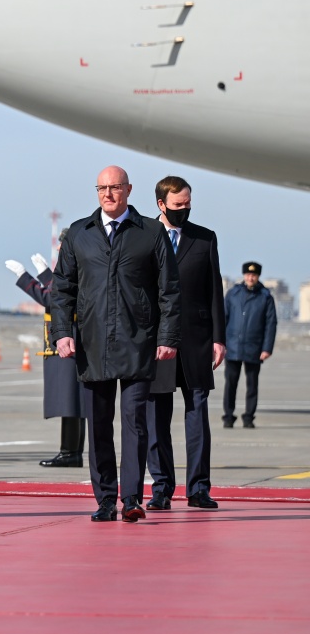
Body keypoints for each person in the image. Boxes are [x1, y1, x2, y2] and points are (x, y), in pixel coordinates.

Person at [51, 165, 180, 524]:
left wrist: (168, 337)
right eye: (102, 188)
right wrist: (62, 332)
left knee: (135, 422)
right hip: (92, 345)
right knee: (100, 426)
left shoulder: (151, 232)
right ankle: (106, 499)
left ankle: (133, 498)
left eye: (116, 187)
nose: (108, 194)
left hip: (139, 342)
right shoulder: (79, 233)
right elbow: (61, 289)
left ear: (129, 189)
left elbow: (169, 290)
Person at [144, 176, 225, 511]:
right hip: (157, 342)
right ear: (161, 204)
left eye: (188, 204)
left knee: (197, 415)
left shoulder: (204, 239)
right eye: (178, 205)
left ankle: (198, 489)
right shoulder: (144, 236)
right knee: (156, 418)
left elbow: (214, 292)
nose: (184, 210)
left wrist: (219, 338)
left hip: (196, 340)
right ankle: (161, 487)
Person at [6, 239, 86, 468]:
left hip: (68, 342)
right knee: (72, 402)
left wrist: (28, 277)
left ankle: (70, 452)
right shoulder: (74, 269)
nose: (61, 251)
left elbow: (52, 298)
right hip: (68, 342)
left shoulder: (79, 268)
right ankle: (71, 452)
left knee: (70, 401)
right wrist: (45, 275)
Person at [222, 261, 277, 429]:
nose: (250, 277)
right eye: (248, 274)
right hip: (233, 346)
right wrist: (220, 342)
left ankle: (249, 417)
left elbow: (271, 324)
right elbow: (223, 318)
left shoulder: (265, 296)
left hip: (254, 347)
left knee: (252, 385)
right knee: (230, 383)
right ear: (244, 275)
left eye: (254, 275)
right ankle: (229, 416)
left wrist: (267, 348)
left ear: (258, 276)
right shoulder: (233, 294)